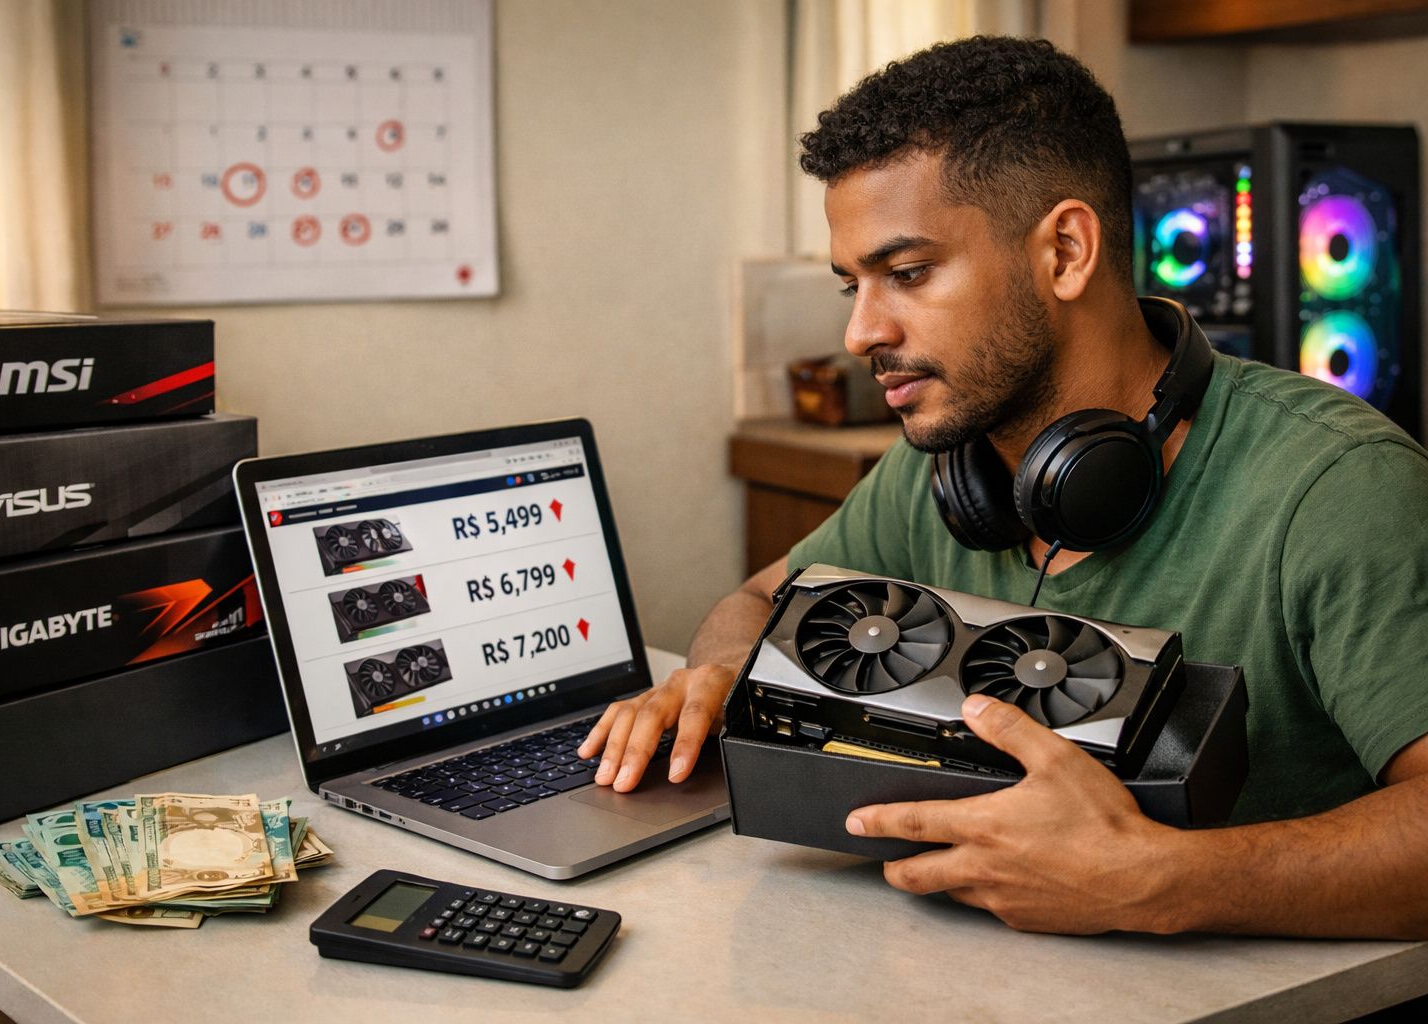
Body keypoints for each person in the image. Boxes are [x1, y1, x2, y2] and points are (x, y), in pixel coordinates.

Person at [579, 36, 1428, 939]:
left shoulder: (1339, 486)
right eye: (851, 286)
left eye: (906, 274)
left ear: (1065, 251)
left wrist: (1167, 880)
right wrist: (716, 674)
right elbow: (759, 599)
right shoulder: (949, 466)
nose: (863, 331)